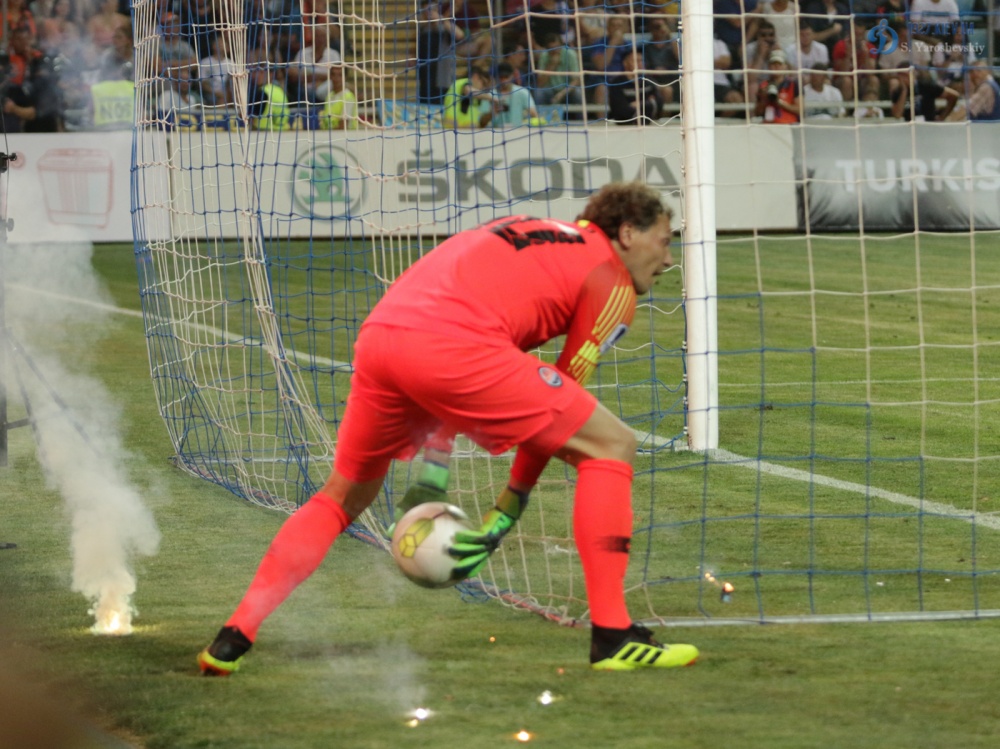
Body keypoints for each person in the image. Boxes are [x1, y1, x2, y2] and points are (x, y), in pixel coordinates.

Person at [197, 181, 700, 675]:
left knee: (342, 496)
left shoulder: (530, 228)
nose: (668, 259)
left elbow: (460, 330)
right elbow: (558, 409)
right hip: (450, 345)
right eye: (664, 240)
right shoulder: (610, 280)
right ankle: (613, 636)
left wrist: (434, 465)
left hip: (383, 336)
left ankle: (233, 637)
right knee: (612, 444)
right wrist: (509, 506)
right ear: (628, 233)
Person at [2, 26, 62, 132]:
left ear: (30, 40)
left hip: (42, 119)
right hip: (18, 114)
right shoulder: (7, 62)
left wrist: (31, 62)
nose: (21, 43)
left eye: (24, 39)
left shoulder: (41, 61)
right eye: (17, 39)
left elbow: (46, 90)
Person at [607, 47, 665, 124]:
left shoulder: (648, 81)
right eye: (636, 61)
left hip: (648, 124)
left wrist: (638, 104)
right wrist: (648, 103)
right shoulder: (616, 83)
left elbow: (659, 105)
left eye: (641, 60)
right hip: (624, 127)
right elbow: (621, 111)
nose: (640, 63)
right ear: (625, 63)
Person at [890, 63, 959, 121]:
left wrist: (942, 117)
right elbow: (897, 115)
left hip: (929, 125)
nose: (904, 79)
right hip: (911, 126)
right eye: (901, 76)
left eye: (906, 75)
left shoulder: (926, 86)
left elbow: (953, 95)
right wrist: (904, 90)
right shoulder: (898, 91)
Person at [755, 48, 801, 123]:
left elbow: (800, 110)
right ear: (769, 66)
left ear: (785, 66)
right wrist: (764, 99)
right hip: (769, 124)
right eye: (773, 64)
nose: (776, 67)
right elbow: (758, 113)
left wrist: (779, 102)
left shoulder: (794, 84)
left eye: (779, 64)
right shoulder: (763, 86)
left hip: (789, 124)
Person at [493, 60, 539, 126]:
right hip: (497, 130)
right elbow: (481, 122)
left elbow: (534, 114)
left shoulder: (522, 92)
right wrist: (491, 113)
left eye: (506, 77)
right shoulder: (491, 94)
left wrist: (527, 117)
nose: (503, 80)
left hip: (518, 130)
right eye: (501, 77)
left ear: (512, 76)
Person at [319, 63, 358, 130]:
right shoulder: (329, 96)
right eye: (333, 74)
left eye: (340, 75)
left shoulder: (348, 97)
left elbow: (343, 127)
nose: (336, 78)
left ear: (345, 77)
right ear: (330, 76)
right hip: (328, 134)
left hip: (345, 135)